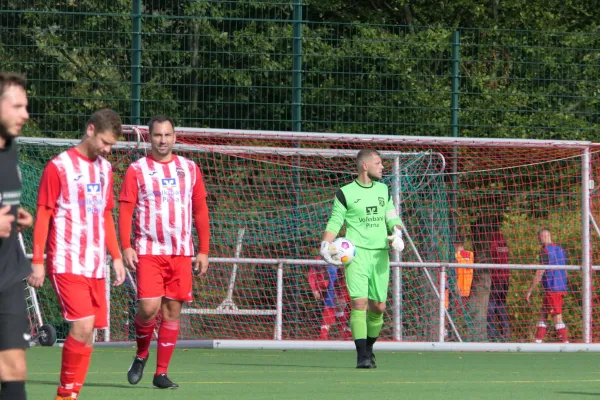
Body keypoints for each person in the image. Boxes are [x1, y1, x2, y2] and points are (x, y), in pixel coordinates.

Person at [31, 108, 126, 400]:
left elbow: (106, 214)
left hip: (96, 264)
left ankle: (73, 394)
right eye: (105, 143)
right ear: (90, 130)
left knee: (90, 333)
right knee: (81, 325)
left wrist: (117, 256)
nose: (108, 150)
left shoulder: (105, 170)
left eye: (112, 145)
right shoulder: (58, 167)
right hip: (66, 260)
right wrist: (37, 261)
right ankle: (63, 395)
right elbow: (44, 214)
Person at [119, 115, 210, 389]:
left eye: (167, 135)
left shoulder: (190, 168)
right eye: (157, 135)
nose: (162, 140)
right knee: (148, 308)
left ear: (174, 137)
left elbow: (201, 210)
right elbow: (125, 209)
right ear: (149, 137)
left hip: (181, 252)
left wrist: (203, 250)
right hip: (148, 250)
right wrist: (125, 246)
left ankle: (160, 373)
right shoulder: (137, 169)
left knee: (172, 311)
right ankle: (142, 353)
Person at [320, 149, 404, 368]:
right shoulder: (344, 193)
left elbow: (392, 215)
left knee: (378, 307)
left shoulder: (384, 190)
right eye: (378, 163)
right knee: (359, 304)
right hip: (355, 255)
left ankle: (369, 348)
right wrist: (325, 244)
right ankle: (362, 357)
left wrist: (397, 233)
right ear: (365, 166)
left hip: (379, 255)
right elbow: (335, 222)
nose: (382, 167)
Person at [0, 72, 34, 400]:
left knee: (14, 369)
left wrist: (15, 213)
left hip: (8, 273)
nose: (25, 114)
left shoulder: (10, 148)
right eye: (18, 106)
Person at [526, 228, 569, 343]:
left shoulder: (545, 251)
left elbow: (540, 271)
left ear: (542, 237)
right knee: (543, 314)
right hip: (560, 287)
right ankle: (537, 341)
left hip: (552, 288)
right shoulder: (560, 249)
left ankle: (566, 343)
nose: (538, 240)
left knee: (556, 317)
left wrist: (530, 290)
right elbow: (565, 270)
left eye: (539, 238)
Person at [308, 257, 351, 340]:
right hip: (329, 289)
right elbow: (312, 274)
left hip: (344, 288)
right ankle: (324, 335)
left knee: (345, 309)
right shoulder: (322, 257)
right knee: (330, 310)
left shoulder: (346, 256)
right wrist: (314, 289)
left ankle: (345, 333)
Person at [487, 227, 511, 342]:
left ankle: (492, 334)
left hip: (496, 279)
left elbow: (489, 255)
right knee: (501, 305)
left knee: (490, 307)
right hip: (505, 279)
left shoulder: (491, 240)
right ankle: (505, 333)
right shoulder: (503, 241)